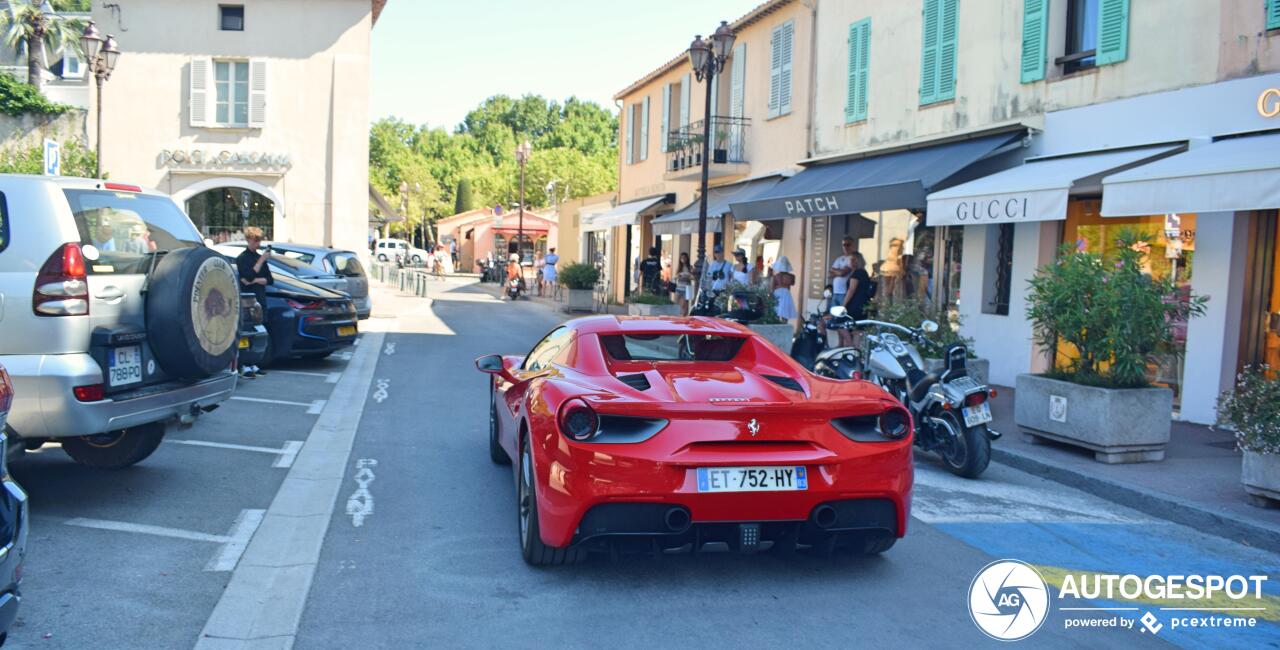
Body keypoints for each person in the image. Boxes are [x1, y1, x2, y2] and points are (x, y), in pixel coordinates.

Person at [235, 227, 273, 379]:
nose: (258, 243)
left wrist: (256, 279)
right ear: (248, 240)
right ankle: (243, 365)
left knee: (258, 332)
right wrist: (261, 261)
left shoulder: (258, 258)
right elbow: (247, 277)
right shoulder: (243, 258)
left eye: (259, 240)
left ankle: (253, 363)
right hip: (248, 301)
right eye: (255, 240)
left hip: (260, 299)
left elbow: (269, 279)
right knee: (247, 333)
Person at [841, 252, 873, 348]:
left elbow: (851, 290)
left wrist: (843, 305)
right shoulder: (864, 272)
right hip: (863, 304)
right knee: (858, 330)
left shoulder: (857, 273)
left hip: (854, 304)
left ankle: (850, 346)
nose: (850, 262)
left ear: (857, 261)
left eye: (852, 259)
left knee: (842, 324)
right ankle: (855, 351)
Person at [771, 256, 797, 322]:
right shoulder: (792, 276)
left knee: (777, 310)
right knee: (785, 311)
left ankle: (776, 323)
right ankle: (784, 324)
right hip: (786, 293)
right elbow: (793, 283)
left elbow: (772, 287)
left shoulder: (776, 276)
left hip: (777, 293)